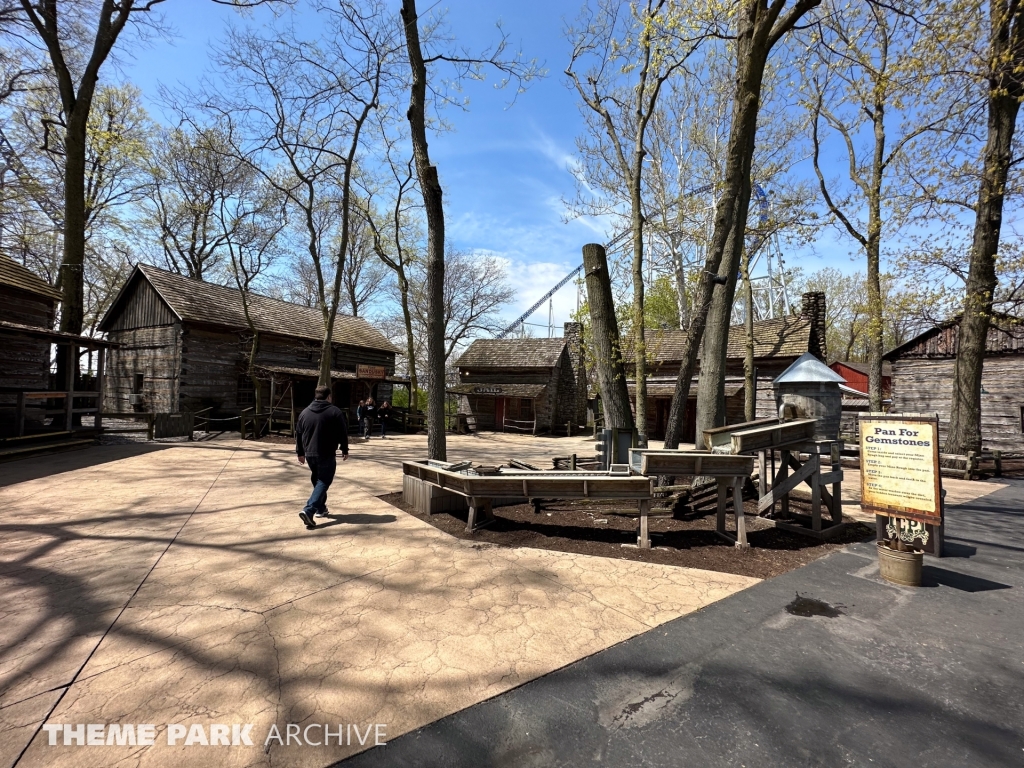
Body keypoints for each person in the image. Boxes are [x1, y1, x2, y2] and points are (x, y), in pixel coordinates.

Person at [295, 385, 349, 530]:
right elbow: (342, 432)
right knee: (324, 480)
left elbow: (298, 433)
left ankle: (321, 509)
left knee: (317, 479)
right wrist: (344, 448)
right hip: (326, 452)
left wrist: (300, 452)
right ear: (328, 396)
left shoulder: (304, 413)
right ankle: (309, 509)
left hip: (310, 453)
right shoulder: (334, 411)